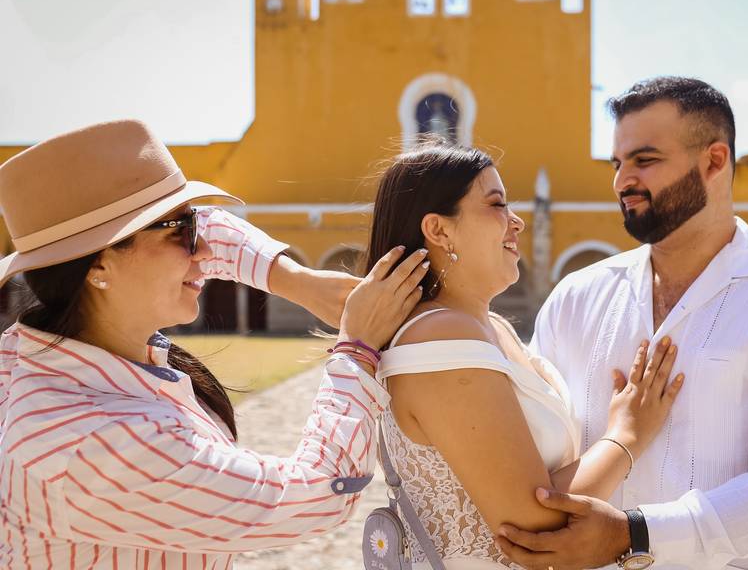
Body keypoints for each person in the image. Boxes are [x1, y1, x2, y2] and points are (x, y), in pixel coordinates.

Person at [0, 120, 429, 568]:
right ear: (98, 266)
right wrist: (358, 349)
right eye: (180, 231)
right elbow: (313, 495)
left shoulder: (37, 355)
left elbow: (211, 231)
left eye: (193, 222)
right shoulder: (90, 442)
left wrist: (299, 282)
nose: (203, 249)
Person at [496, 77, 748, 570]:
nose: (621, 180)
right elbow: (533, 447)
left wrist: (633, 535)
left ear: (714, 161)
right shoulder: (576, 298)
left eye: (644, 160)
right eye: (618, 162)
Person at [367, 141, 685, 569]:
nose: (516, 221)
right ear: (440, 230)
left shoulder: (492, 328)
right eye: (496, 204)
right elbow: (535, 529)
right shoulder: (439, 337)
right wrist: (627, 434)